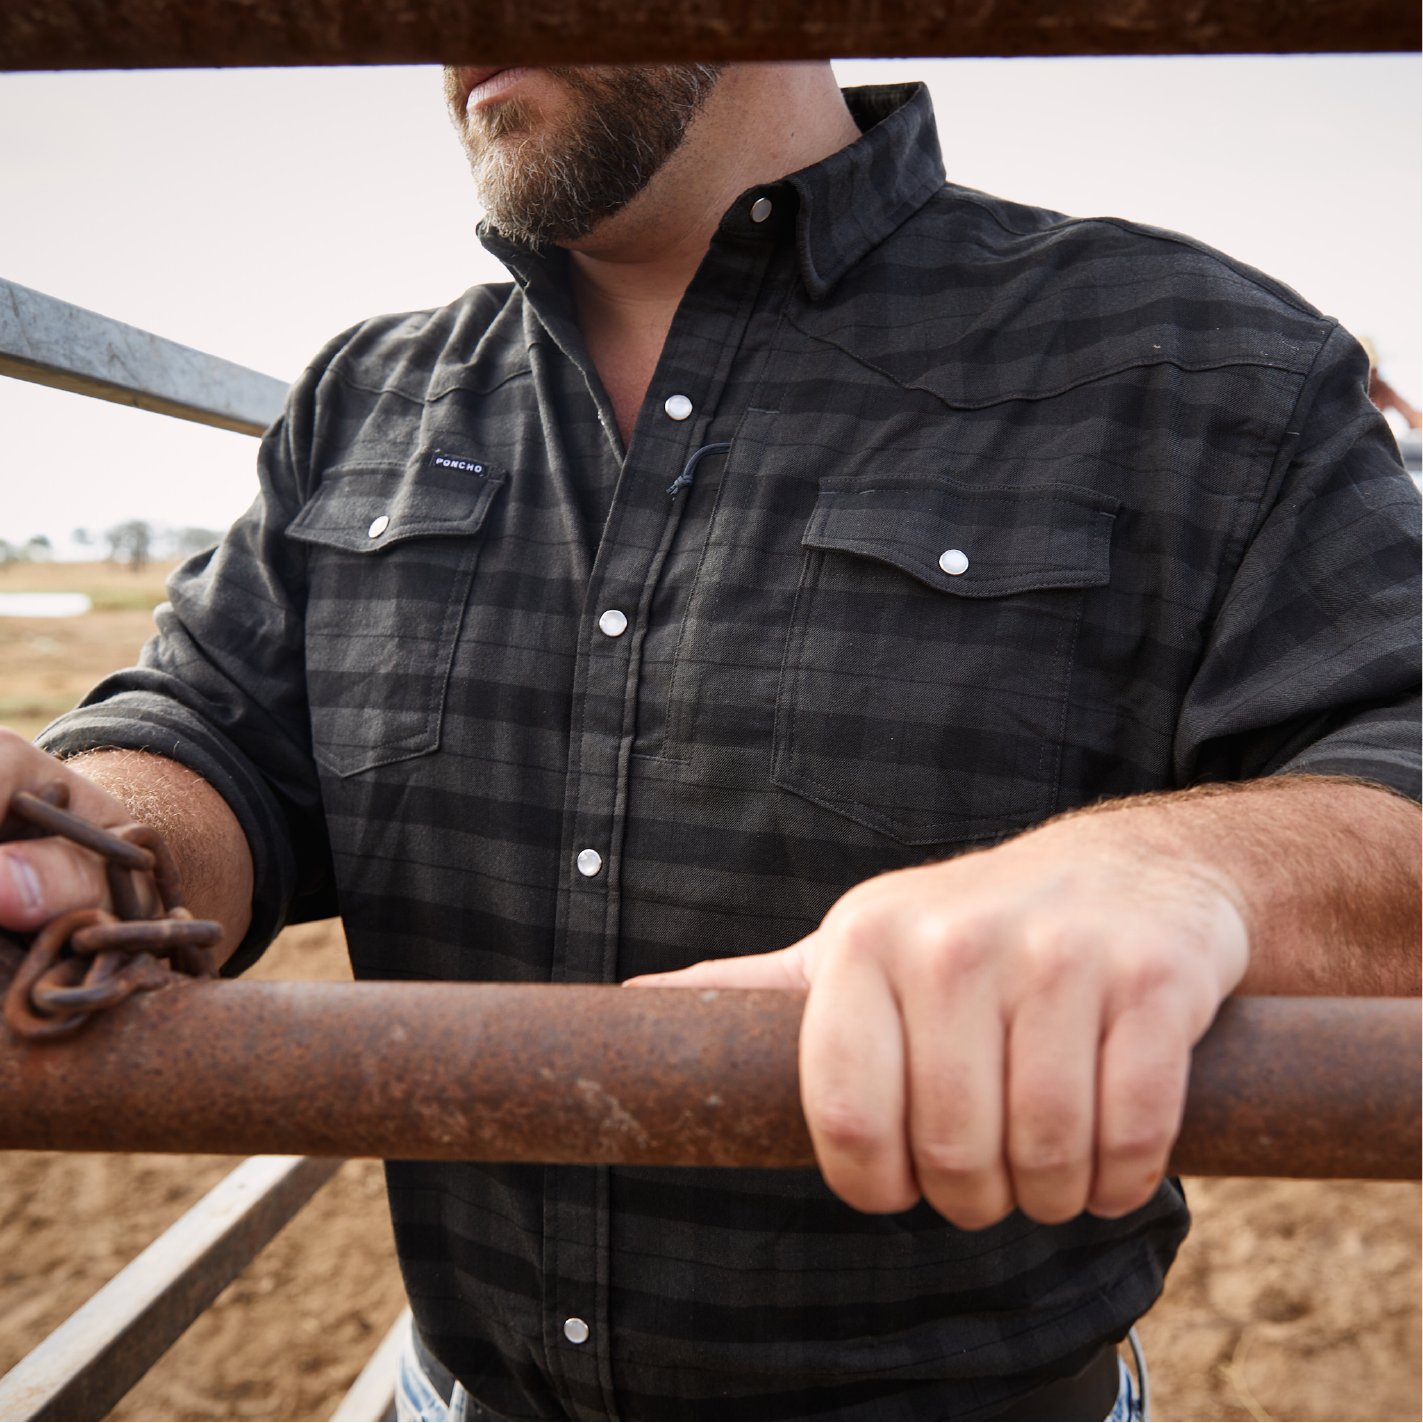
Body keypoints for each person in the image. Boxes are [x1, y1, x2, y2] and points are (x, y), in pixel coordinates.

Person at [4, 60, 1423, 1422]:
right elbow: (214, 736)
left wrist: (1178, 870)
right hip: (462, 1393)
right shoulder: (361, 400)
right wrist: (77, 852)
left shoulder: (1193, 355)